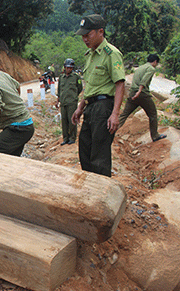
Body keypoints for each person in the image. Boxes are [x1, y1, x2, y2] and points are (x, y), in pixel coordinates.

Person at [71, 14, 125, 177]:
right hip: (91, 107)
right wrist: (80, 107)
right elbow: (90, 86)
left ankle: (101, 194)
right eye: (83, 36)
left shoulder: (111, 54)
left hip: (104, 107)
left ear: (100, 31)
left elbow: (120, 84)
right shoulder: (90, 55)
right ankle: (90, 187)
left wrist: (115, 113)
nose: (85, 39)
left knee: (99, 155)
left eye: (88, 35)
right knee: (85, 149)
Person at [118, 54, 166, 142]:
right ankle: (155, 136)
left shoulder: (140, 68)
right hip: (142, 94)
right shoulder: (151, 68)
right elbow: (144, 80)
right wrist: (139, 92)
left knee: (124, 114)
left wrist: (135, 93)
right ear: (155, 61)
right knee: (153, 114)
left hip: (132, 93)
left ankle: (110, 131)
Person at [56, 58, 83, 145]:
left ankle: (72, 137)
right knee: (64, 121)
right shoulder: (61, 77)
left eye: (70, 68)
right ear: (64, 67)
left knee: (72, 120)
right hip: (63, 102)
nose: (69, 69)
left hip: (72, 102)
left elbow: (80, 88)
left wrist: (74, 96)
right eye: (67, 67)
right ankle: (65, 138)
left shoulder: (76, 77)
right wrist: (58, 100)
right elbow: (59, 90)